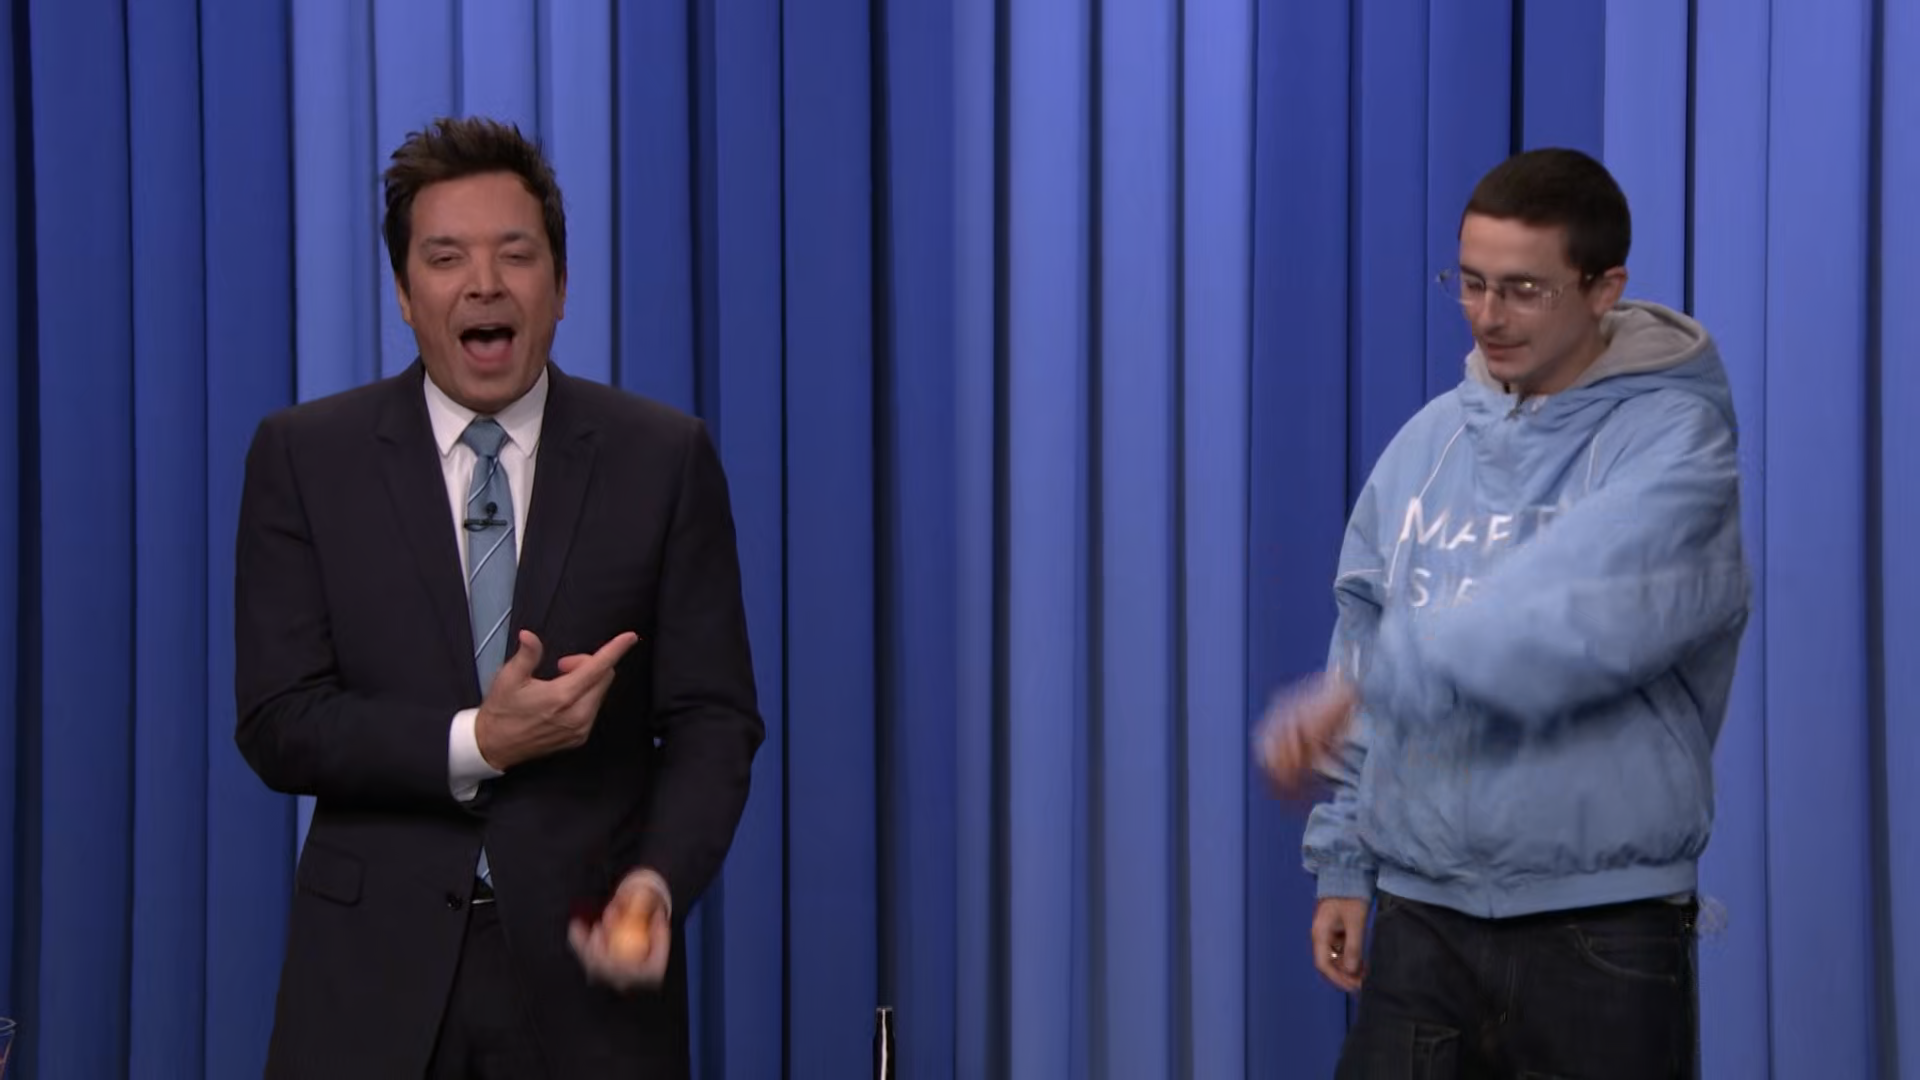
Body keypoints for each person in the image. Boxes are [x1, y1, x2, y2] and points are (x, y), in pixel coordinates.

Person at [234, 116, 764, 1078]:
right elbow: (280, 722)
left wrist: (654, 883)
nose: (484, 283)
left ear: (559, 285)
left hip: (589, 990)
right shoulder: (305, 458)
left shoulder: (662, 458)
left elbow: (713, 720)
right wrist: (481, 740)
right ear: (405, 294)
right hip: (366, 988)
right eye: (446, 258)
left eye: (515, 254)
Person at [1259, 148, 1750, 1078]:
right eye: (1472, 282)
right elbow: (1362, 638)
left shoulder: (1679, 446)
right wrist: (1347, 861)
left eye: (1524, 289)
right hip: (1420, 927)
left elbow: (1569, 615)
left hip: (1601, 935)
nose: (1488, 315)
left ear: (1604, 290)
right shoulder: (1426, 445)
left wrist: (1381, 680)